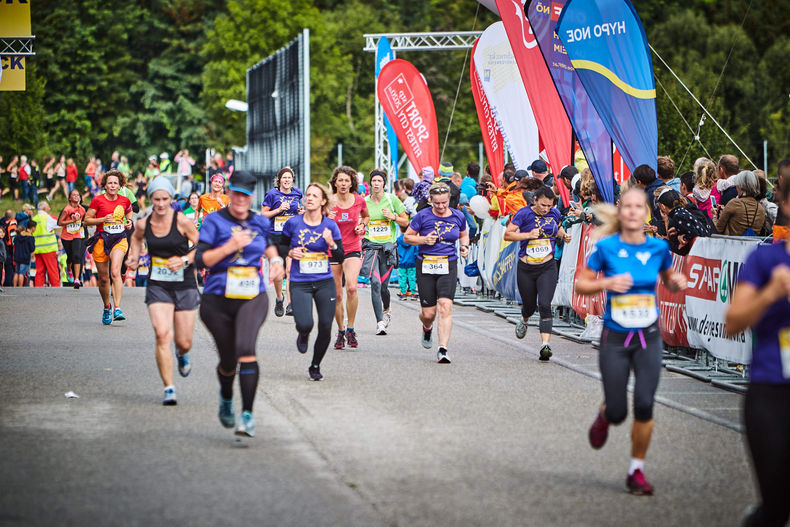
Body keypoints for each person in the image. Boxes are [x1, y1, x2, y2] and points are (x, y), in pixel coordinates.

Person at [574, 188, 687, 495]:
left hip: (649, 336)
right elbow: (582, 283)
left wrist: (676, 282)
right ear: (621, 213)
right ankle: (605, 414)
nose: (634, 212)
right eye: (628, 207)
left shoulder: (657, 248)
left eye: (640, 207)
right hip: (616, 336)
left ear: (646, 212)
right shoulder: (606, 247)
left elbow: (668, 278)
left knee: (645, 403)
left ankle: (636, 470)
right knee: (618, 412)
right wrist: (607, 282)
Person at [195, 170, 284, 437]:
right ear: (229, 193)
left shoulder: (259, 222)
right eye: (236, 194)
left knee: (246, 348)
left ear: (251, 196)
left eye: (246, 196)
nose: (240, 200)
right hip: (217, 299)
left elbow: (268, 244)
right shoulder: (213, 221)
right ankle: (225, 396)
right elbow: (201, 261)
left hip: (251, 296)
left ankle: (247, 415)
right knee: (228, 360)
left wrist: (276, 261)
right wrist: (229, 247)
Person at [724, 181, 790, 527]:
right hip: (773, 390)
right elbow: (733, 322)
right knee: (776, 502)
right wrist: (771, 294)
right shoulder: (766, 259)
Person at [127, 176, 200, 406]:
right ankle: (169, 387)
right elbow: (136, 238)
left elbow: (202, 245)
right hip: (158, 283)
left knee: (184, 341)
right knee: (161, 334)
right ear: (150, 199)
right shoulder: (143, 223)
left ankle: (182, 353)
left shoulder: (182, 222)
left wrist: (185, 260)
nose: (160, 204)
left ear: (171, 199)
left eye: (165, 199)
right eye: (156, 199)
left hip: (184, 283)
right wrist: (134, 255)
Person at [280, 183, 343, 380]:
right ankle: (304, 333)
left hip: (324, 282)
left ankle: (315, 365)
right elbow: (279, 246)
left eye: (315, 195)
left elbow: (341, 256)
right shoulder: (293, 223)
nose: (310, 198)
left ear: (323, 201)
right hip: (300, 282)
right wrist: (290, 252)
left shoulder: (330, 226)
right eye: (308, 195)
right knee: (305, 323)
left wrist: (331, 243)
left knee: (325, 325)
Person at [404, 182, 470, 363]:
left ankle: (443, 349)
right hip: (425, 265)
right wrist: (424, 239)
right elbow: (407, 237)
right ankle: (427, 328)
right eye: (437, 203)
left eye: (444, 203)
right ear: (430, 201)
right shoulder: (422, 216)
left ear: (449, 200)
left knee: (445, 306)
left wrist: (464, 246)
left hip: (448, 264)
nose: (441, 207)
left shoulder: (458, 216)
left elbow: (463, 234)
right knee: (428, 314)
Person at [505, 186, 572, 360]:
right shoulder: (523, 214)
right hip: (526, 267)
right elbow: (508, 235)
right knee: (529, 306)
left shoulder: (554, 213)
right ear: (535, 200)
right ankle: (525, 319)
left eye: (549, 206)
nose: (546, 209)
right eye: (543, 205)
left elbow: (556, 228)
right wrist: (527, 235)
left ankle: (545, 345)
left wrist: (563, 235)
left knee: (544, 304)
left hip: (547, 266)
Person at [360, 169, 409, 335]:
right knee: (374, 283)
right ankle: (379, 322)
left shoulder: (391, 199)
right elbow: (360, 221)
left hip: (388, 248)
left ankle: (387, 310)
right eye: (373, 181)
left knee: (383, 288)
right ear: (371, 183)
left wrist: (393, 217)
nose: (376, 184)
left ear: (383, 183)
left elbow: (406, 221)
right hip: (371, 247)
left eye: (379, 181)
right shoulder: (364, 201)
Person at [84, 170, 134, 325]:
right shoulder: (97, 200)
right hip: (101, 240)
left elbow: (129, 212)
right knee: (104, 279)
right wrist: (102, 219)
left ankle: (117, 308)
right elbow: (86, 221)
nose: (113, 185)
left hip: (119, 239)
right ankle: (107, 306)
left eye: (115, 183)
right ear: (105, 185)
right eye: (110, 183)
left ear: (120, 186)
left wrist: (129, 221)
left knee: (115, 271)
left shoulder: (125, 200)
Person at [329, 166, 369, 349]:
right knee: (337, 294)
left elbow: (366, 217)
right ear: (335, 182)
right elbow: (315, 221)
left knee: (352, 287)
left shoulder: (359, 200)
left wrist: (362, 226)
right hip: (333, 249)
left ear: (352, 182)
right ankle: (340, 331)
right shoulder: (328, 202)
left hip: (353, 247)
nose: (343, 184)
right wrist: (325, 217)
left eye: (347, 180)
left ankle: (351, 328)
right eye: (340, 180)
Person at [260, 167, 303, 317]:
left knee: (290, 269)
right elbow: (263, 215)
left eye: (289, 178)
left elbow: (299, 210)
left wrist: (300, 212)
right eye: (284, 178)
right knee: (279, 273)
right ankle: (280, 298)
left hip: (292, 235)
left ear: (292, 180)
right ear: (279, 180)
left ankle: (291, 303)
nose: (287, 180)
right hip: (275, 236)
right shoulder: (272, 194)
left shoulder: (297, 193)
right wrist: (278, 210)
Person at [654, 187, 712, 255]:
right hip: (706, 246)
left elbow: (693, 233)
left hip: (703, 251)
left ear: (663, 206)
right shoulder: (681, 211)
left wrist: (683, 239)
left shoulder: (678, 216)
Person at [714, 170, 766, 236]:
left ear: (740, 187)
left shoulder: (734, 203)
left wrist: (714, 217)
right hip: (752, 245)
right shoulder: (760, 209)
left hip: (732, 244)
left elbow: (718, 230)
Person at [57, 189, 87, 288]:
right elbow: (60, 223)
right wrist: (71, 221)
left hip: (77, 235)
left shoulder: (82, 209)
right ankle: (69, 269)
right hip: (66, 236)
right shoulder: (67, 209)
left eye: (78, 195)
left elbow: (84, 221)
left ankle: (77, 279)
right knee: (70, 256)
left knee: (77, 256)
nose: (76, 197)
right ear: (70, 198)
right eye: (74, 195)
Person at [31, 202, 61, 287]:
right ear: (44, 209)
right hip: (48, 249)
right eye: (48, 207)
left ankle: (38, 288)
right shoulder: (48, 218)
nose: (49, 208)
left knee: (39, 271)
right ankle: (56, 289)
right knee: (53, 271)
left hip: (37, 249)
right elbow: (60, 222)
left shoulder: (34, 218)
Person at [396, 224, 418, 299]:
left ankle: (403, 293)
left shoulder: (398, 239)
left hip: (401, 262)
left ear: (400, 229)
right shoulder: (412, 239)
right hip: (412, 262)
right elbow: (416, 250)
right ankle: (413, 293)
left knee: (402, 277)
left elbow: (396, 250)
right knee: (412, 278)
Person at [13, 220, 36, 287]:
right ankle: (20, 287)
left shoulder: (18, 236)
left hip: (17, 256)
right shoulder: (30, 237)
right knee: (22, 273)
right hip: (25, 257)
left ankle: (14, 286)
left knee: (16, 272)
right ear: (33, 228)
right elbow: (32, 249)